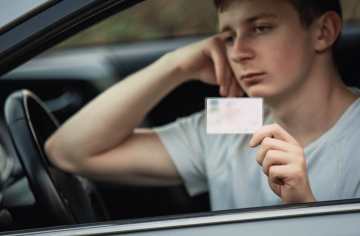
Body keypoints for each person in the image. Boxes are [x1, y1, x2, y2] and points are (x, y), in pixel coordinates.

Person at [45, 0, 360, 211]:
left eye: (260, 28)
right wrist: (174, 66)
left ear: (324, 32)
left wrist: (303, 207)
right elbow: (68, 150)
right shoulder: (239, 117)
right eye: (228, 37)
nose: (238, 52)